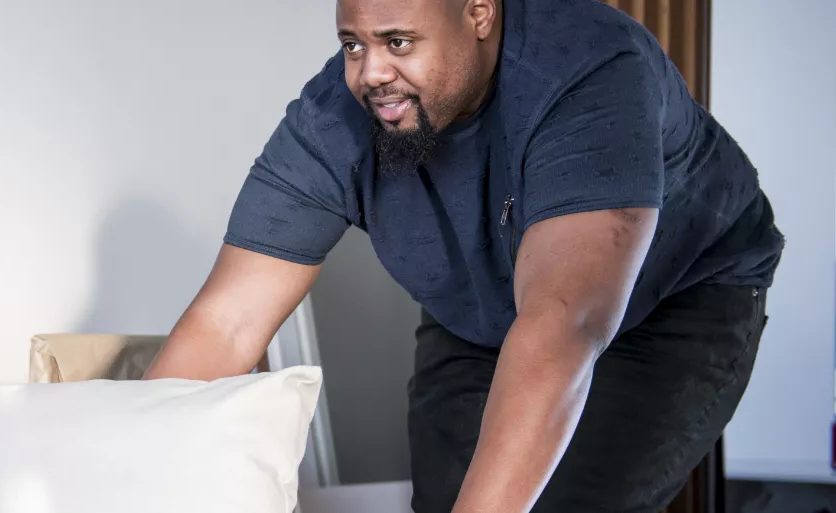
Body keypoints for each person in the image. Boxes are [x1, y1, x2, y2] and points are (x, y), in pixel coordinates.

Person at [142, 0, 784, 511]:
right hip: (484, 310)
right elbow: (227, 324)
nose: (369, 73)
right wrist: (124, 471)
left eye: (398, 42)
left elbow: (562, 324)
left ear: (479, 12)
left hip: (676, 300)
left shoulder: (587, 69)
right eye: (353, 44)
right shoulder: (330, 123)